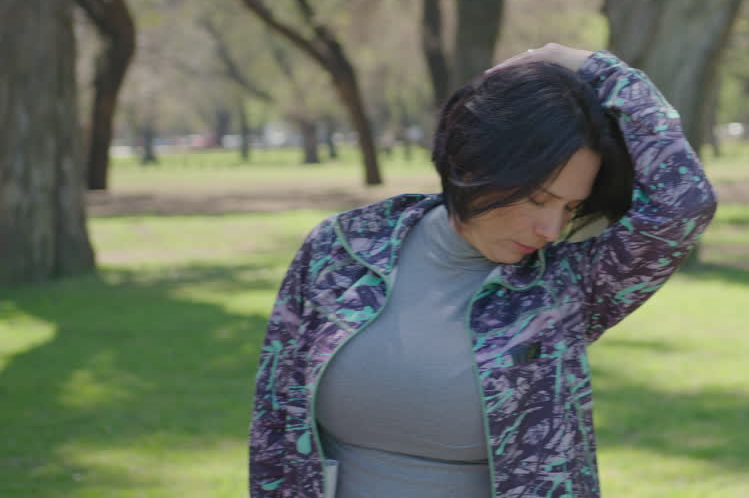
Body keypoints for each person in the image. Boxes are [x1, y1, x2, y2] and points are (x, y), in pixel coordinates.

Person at [248, 44, 717, 498]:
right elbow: (275, 430)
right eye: (538, 198)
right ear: (478, 160)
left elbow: (684, 203)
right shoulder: (340, 251)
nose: (551, 229)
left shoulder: (565, 285)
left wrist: (599, 69)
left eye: (570, 207)